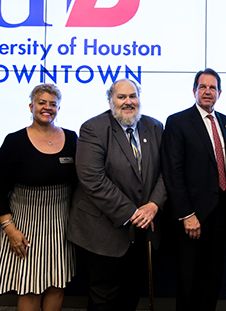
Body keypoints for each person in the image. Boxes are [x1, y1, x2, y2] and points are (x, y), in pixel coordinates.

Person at [67, 79, 165, 311]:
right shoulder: (93, 128)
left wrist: (153, 204)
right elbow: (93, 179)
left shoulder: (154, 127)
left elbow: (167, 171)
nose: (128, 102)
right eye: (121, 97)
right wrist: (133, 213)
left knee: (132, 293)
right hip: (104, 230)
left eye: (133, 96)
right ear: (110, 100)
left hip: (144, 231)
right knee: (104, 298)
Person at [0, 83, 77, 311]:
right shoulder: (14, 142)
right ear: (31, 106)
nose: (47, 108)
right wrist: (10, 230)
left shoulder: (72, 138)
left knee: (57, 284)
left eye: (53, 104)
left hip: (61, 225)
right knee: (30, 286)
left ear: (58, 108)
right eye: (42, 103)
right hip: (24, 226)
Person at [161, 68, 226, 311]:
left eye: (212, 88)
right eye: (203, 87)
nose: (208, 92)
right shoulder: (178, 122)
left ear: (220, 92)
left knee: (213, 277)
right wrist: (186, 214)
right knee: (189, 280)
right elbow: (173, 171)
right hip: (192, 218)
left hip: (220, 217)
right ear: (194, 91)